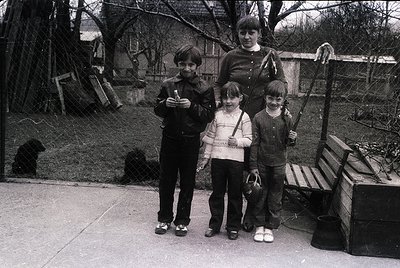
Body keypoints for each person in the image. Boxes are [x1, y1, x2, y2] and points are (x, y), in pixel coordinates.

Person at [214, 15, 288, 231]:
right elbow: (219, 84)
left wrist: (279, 108)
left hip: (263, 122)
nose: (246, 37)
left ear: (259, 34)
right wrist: (220, 102)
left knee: (258, 169)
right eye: (242, 32)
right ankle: (237, 216)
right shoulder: (230, 57)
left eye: (251, 32)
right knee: (239, 169)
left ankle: (252, 212)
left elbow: (281, 83)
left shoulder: (270, 55)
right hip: (236, 123)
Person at [154, 44, 216, 237]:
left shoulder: (205, 88)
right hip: (170, 139)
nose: (187, 68)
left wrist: (191, 106)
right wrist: (166, 104)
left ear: (197, 65)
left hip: (190, 141)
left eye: (191, 65)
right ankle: (164, 218)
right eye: (183, 64)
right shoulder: (168, 84)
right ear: (178, 64)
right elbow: (157, 109)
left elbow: (208, 115)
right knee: (166, 181)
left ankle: (182, 221)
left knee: (187, 181)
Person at [198, 81, 252, 240]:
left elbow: (249, 140)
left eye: (232, 98)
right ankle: (214, 224)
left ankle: (233, 226)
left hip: (235, 161)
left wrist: (238, 142)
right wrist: (206, 157)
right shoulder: (217, 115)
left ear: (240, 98)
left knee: (235, 194)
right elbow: (210, 138)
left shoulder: (244, 117)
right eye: (225, 98)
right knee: (217, 193)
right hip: (218, 160)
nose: (228, 101)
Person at [249, 80, 297, 243]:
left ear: (283, 99)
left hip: (279, 163)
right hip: (262, 162)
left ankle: (270, 226)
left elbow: (289, 142)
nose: (274, 102)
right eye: (271, 98)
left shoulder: (287, 118)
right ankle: (260, 225)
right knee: (261, 194)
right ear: (265, 97)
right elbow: (254, 143)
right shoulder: (258, 118)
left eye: (278, 99)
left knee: (276, 195)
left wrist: (293, 138)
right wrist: (253, 165)